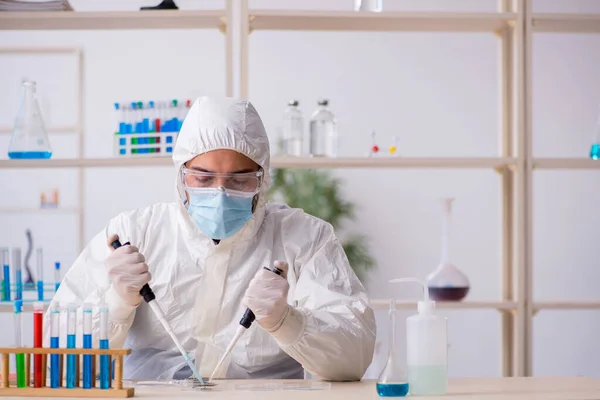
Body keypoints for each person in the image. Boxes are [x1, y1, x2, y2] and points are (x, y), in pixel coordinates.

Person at [45, 96, 376, 381]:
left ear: (263, 178)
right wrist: (116, 303)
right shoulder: (136, 233)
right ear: (181, 174)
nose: (219, 193)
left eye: (239, 180)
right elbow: (57, 359)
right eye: (202, 178)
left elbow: (354, 358)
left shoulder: (304, 238)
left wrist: (286, 321)